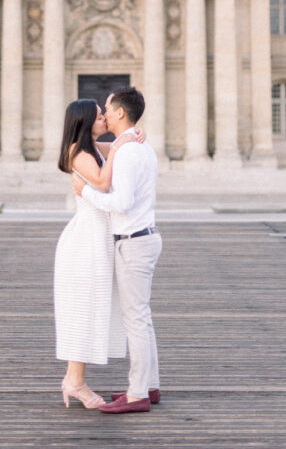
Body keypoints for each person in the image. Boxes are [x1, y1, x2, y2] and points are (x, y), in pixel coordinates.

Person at [72, 86, 161, 414]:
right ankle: (149, 385)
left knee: (135, 320)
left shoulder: (128, 150)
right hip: (144, 237)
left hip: (133, 241)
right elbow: (89, 147)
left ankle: (137, 393)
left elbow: (120, 202)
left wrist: (86, 193)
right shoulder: (136, 146)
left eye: (107, 109)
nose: (104, 115)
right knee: (143, 318)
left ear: (120, 113)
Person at [54, 98, 142, 409]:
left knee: (91, 308)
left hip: (97, 237)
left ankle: (73, 379)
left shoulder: (92, 149)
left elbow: (120, 150)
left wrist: (129, 138)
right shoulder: (77, 153)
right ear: (85, 122)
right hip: (85, 240)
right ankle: (74, 381)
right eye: (99, 115)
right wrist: (120, 145)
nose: (105, 118)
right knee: (83, 308)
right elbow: (104, 184)